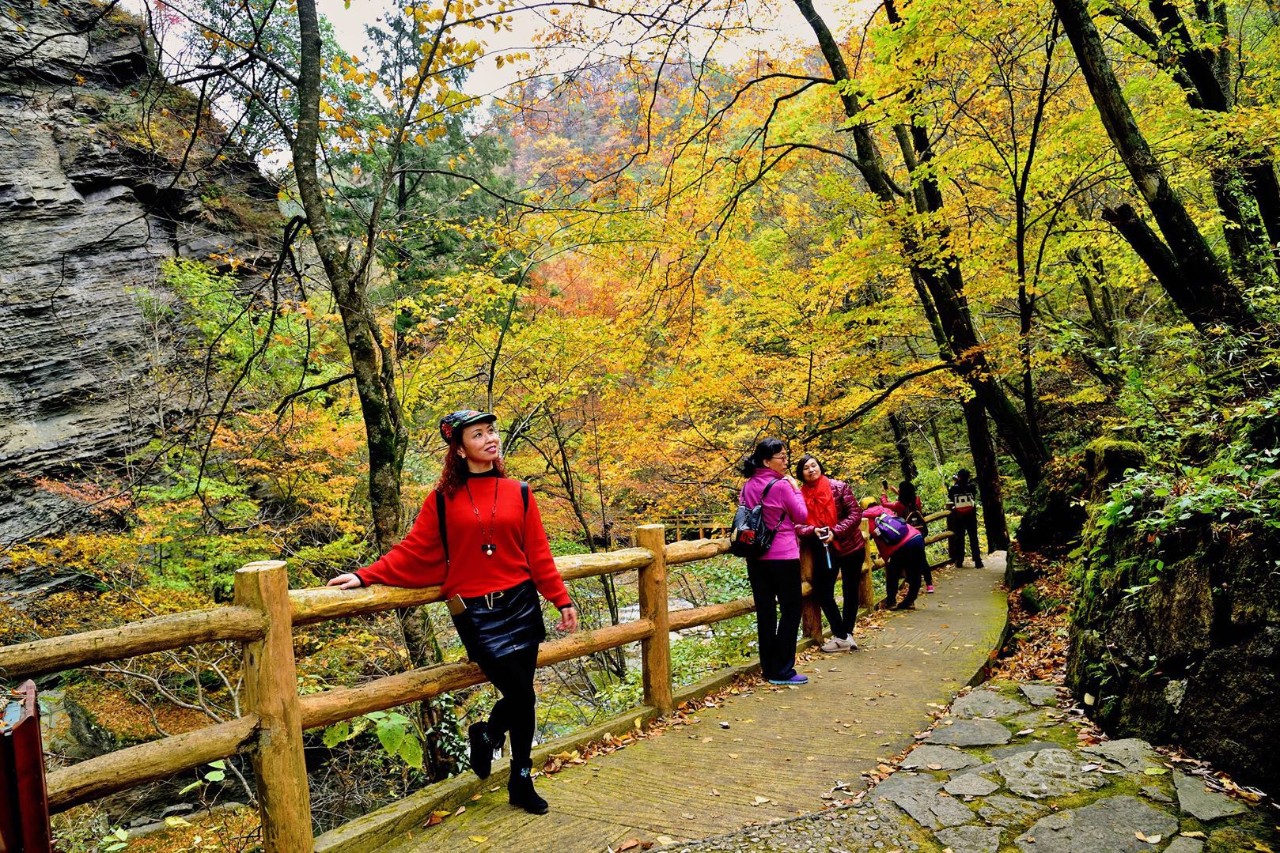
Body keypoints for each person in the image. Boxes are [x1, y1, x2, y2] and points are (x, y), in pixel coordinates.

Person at [328, 409, 579, 815]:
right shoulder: (442, 501)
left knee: (522, 694)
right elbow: (413, 550)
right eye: (478, 435)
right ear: (460, 450)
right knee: (520, 693)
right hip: (476, 612)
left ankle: (516, 771)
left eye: (491, 432)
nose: (490, 439)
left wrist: (560, 599)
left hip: (520, 603)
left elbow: (538, 552)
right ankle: (487, 735)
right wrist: (365, 575)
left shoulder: (519, 491)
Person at [738, 438, 810, 685]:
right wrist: (796, 489)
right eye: (782, 457)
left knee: (766, 612)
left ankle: (769, 667)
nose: (786, 461)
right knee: (791, 610)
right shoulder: (781, 485)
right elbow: (801, 515)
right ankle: (783, 670)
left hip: (756, 556)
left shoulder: (747, 485)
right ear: (767, 461)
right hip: (783, 555)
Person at [795, 455, 864, 652]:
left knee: (850, 591)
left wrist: (836, 532)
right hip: (824, 550)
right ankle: (842, 635)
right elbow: (796, 524)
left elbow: (855, 514)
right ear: (802, 474)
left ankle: (846, 635)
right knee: (823, 591)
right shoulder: (799, 496)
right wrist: (813, 531)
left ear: (820, 466)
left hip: (851, 546)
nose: (811, 470)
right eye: (806, 468)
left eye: (813, 465)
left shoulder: (839, 487)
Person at [860, 497, 927, 610]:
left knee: (893, 574)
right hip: (916, 537)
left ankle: (891, 602)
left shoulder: (866, 518)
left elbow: (865, 538)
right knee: (915, 572)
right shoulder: (886, 510)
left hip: (899, 547)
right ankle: (910, 601)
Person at [882, 479, 933, 593]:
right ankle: (929, 584)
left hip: (906, 536)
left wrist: (883, 493)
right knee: (922, 558)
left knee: (907, 561)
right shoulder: (917, 500)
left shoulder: (898, 505)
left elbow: (885, 504)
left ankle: (913, 585)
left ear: (902, 492)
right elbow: (908, 497)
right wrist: (898, 492)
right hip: (919, 533)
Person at [946, 468, 984, 569]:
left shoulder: (954, 488)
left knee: (959, 538)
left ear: (959, 477)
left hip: (959, 516)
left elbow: (950, 497)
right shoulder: (971, 487)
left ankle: (959, 561)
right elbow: (974, 497)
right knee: (973, 537)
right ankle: (978, 561)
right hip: (971, 515)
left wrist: (956, 483)